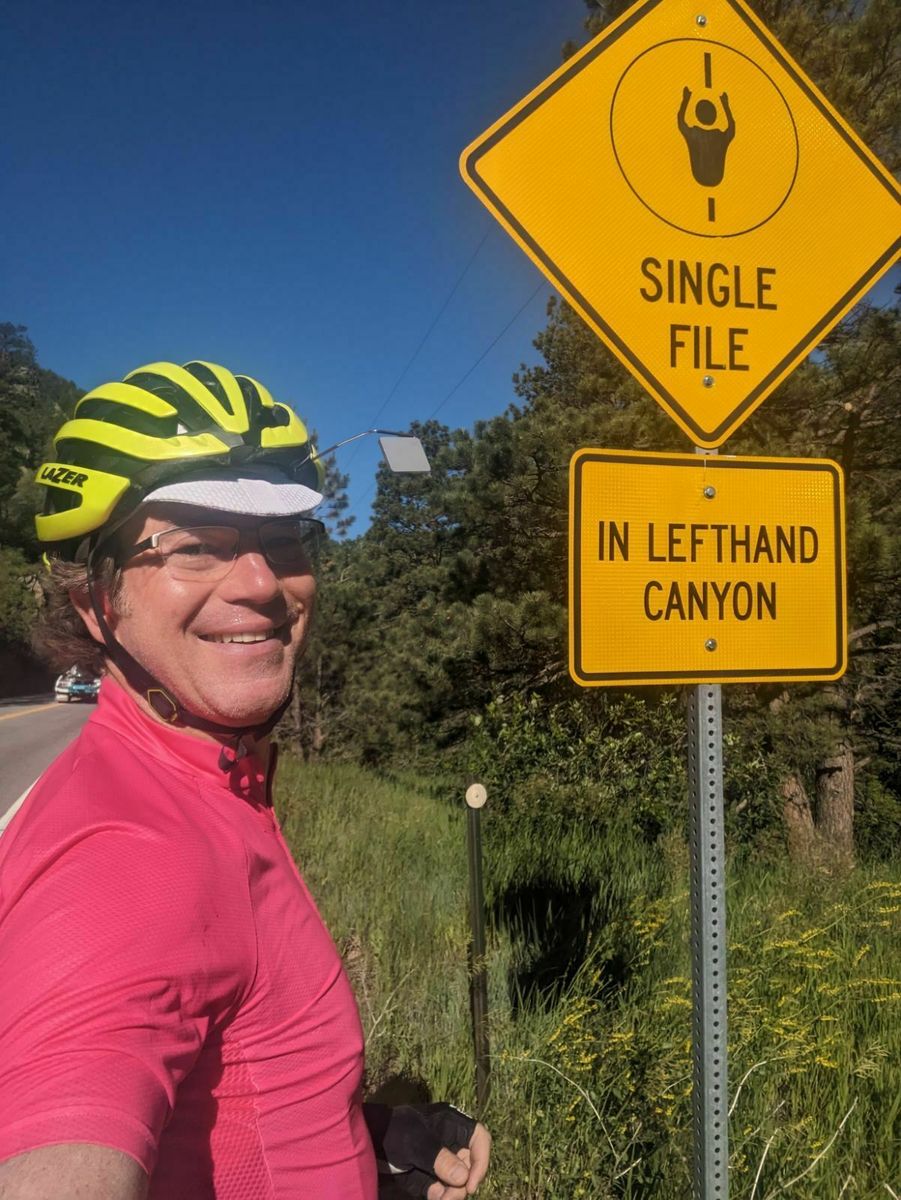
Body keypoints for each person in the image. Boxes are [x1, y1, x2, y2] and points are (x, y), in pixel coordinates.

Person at [0, 359, 490, 1199]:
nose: (264, 584)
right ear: (95, 601)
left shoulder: (200, 781)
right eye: (195, 546)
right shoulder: (127, 859)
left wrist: (357, 1139)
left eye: (283, 539)